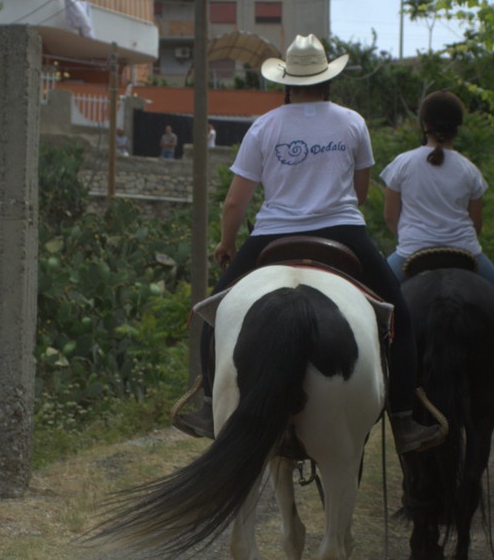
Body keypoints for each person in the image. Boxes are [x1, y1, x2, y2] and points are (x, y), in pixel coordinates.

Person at [173, 34, 444, 455]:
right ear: (327, 80)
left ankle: (210, 407)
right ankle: (404, 419)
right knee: (400, 318)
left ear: (286, 83)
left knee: (215, 313)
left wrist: (227, 244)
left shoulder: (265, 125)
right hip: (343, 230)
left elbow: (235, 202)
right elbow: (360, 193)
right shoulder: (352, 122)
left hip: (272, 233)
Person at [381, 90, 494, 396]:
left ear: (424, 123)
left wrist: (413, 236)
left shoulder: (402, 164)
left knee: (372, 301)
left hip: (411, 252)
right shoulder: (469, 170)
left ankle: (379, 371)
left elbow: (390, 218)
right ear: (457, 127)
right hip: (465, 251)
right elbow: (476, 224)